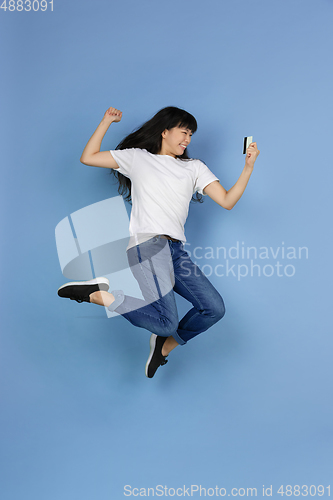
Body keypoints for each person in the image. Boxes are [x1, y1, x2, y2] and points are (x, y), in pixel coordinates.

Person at [58, 106, 260, 378]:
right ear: (164, 131)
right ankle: (99, 295)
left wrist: (248, 167)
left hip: (176, 251)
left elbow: (227, 201)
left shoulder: (194, 168)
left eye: (191, 134)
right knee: (165, 322)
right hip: (148, 247)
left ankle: (164, 348)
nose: (187, 139)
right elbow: (89, 157)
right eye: (183, 132)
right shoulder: (139, 159)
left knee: (213, 309)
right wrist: (106, 121)